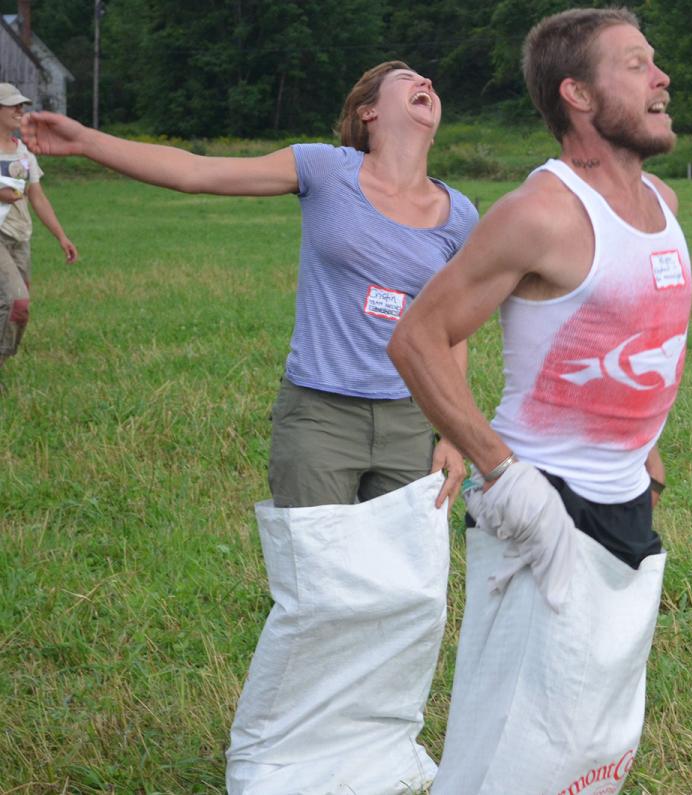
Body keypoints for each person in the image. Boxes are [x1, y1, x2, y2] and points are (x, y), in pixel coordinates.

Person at [23, 62, 476, 792]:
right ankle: (282, 760)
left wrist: (455, 428)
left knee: (405, 596)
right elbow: (196, 172)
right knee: (321, 592)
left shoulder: (460, 214)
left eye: (428, 79)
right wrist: (87, 141)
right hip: (319, 415)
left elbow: (456, 324)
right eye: (404, 78)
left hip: (410, 421)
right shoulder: (324, 170)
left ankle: (377, 755)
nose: (424, 80)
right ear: (367, 112)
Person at [389, 8, 690, 791]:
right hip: (541, 507)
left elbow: (632, 332)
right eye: (636, 64)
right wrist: (505, 473)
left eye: (653, 62)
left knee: (591, 740)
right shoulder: (543, 213)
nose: (661, 79)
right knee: (517, 745)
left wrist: (642, 442)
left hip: (624, 504)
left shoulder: (663, 203)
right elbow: (418, 339)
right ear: (578, 95)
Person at [0, 83, 78, 393]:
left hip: (21, 237)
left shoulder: (22, 151)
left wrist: (61, 236)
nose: (20, 111)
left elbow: (37, 196)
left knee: (18, 308)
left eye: (22, 105)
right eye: (12, 106)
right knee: (17, 302)